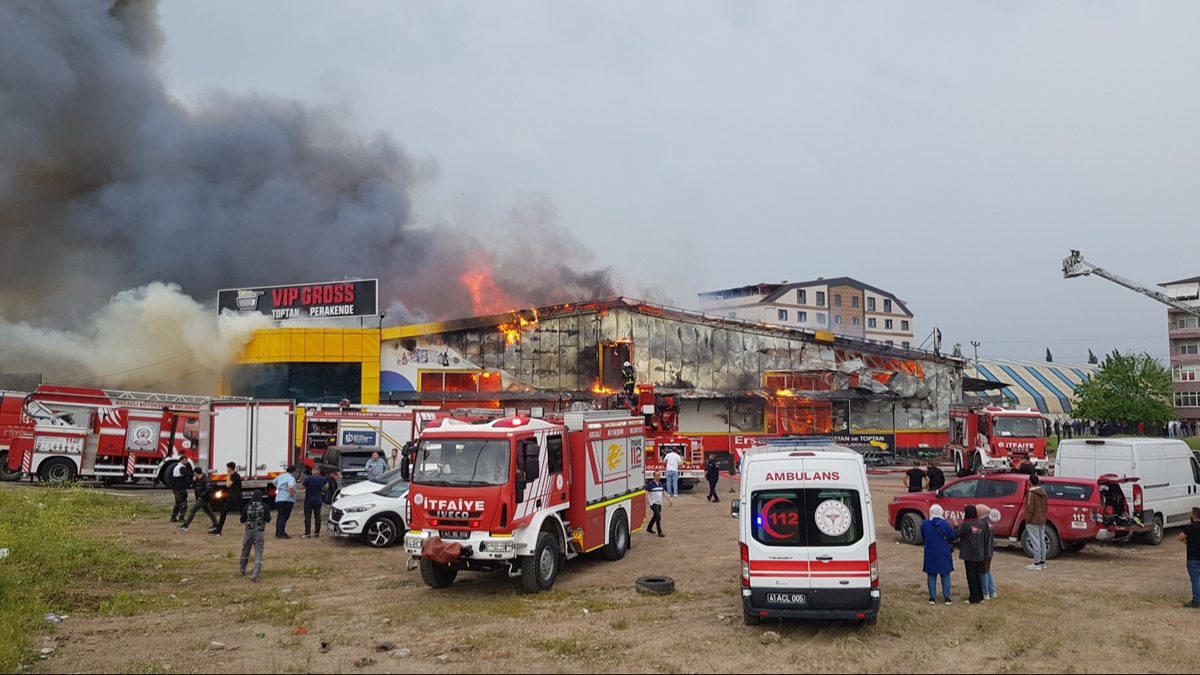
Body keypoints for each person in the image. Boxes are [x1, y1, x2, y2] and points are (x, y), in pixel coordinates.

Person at [952, 504, 988, 604]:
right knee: (977, 574)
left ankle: (974, 597)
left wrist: (955, 525)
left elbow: (957, 534)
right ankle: (980, 596)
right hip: (979, 552)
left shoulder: (966, 525)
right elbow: (985, 537)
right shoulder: (982, 524)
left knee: (971, 575)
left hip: (969, 554)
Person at [921, 504, 955, 605]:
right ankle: (947, 597)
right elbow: (951, 536)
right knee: (945, 574)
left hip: (930, 551)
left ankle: (932, 597)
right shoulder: (945, 524)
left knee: (931, 574)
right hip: (944, 551)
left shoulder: (925, 523)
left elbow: (923, 535)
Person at [239, 490, 271, 582]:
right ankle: (255, 574)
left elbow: (242, 519)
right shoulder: (264, 506)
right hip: (259, 532)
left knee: (245, 550)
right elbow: (268, 519)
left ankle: (242, 568)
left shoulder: (248, 506)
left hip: (249, 531)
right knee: (258, 553)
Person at [178, 467, 218, 531]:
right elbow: (195, 487)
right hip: (201, 497)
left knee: (193, 510)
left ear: (195, 473)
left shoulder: (205, 479)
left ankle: (186, 525)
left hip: (203, 498)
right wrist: (193, 481)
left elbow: (209, 488)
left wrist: (201, 496)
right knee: (209, 511)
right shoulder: (197, 479)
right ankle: (216, 524)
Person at [209, 462, 243, 536]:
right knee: (223, 512)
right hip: (231, 497)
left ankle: (252, 526)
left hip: (236, 497)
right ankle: (218, 530)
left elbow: (228, 485)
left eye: (228, 468)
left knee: (243, 513)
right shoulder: (233, 476)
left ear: (230, 468)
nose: (227, 469)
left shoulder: (236, 475)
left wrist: (228, 476)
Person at [1024, 474, 1049, 570]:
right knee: (1042, 541)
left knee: (1035, 541)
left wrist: (1027, 520)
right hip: (1042, 519)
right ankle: (1042, 561)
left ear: (1030, 481)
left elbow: (1029, 508)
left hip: (1033, 520)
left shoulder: (1031, 493)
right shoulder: (1043, 492)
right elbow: (1045, 506)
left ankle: (1036, 562)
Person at [1179, 507, 1200, 608]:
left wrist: (1187, 542)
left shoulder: (1190, 528)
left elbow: (1180, 537)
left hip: (1193, 557)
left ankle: (1197, 600)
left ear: (1194, 516)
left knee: (1195, 579)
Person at [977, 504, 997, 600]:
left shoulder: (982, 523)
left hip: (984, 550)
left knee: (983, 571)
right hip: (989, 549)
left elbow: (982, 538)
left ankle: (985, 593)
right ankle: (992, 591)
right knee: (987, 570)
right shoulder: (990, 522)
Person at [301, 469, 328, 538]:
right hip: (318, 499)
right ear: (319, 472)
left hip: (309, 500)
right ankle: (317, 532)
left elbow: (302, 487)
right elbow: (326, 486)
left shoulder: (308, 478)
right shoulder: (322, 479)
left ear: (312, 471)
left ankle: (307, 533)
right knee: (318, 516)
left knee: (308, 517)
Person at [273, 465, 298, 539]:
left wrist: (279, 488)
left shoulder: (281, 476)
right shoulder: (291, 478)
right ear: (293, 472)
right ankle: (281, 533)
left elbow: (274, 482)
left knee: (280, 516)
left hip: (278, 499)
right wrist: (291, 494)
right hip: (287, 499)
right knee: (284, 517)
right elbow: (291, 487)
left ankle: (278, 532)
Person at [645, 471, 671, 537]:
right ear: (654, 476)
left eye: (659, 475)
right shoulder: (651, 484)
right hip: (653, 503)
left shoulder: (661, 484)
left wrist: (669, 499)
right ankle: (659, 531)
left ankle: (649, 528)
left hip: (659, 503)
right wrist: (646, 502)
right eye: (657, 475)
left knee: (655, 516)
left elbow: (664, 492)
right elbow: (646, 493)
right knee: (658, 516)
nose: (659, 476)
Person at [169, 456, 193, 522]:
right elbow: (188, 473)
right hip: (179, 488)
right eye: (185, 460)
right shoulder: (181, 468)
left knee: (177, 503)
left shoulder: (177, 467)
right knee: (183, 503)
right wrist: (194, 475)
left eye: (187, 460)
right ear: (181, 460)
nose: (187, 462)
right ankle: (181, 518)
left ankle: (173, 517)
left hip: (175, 488)